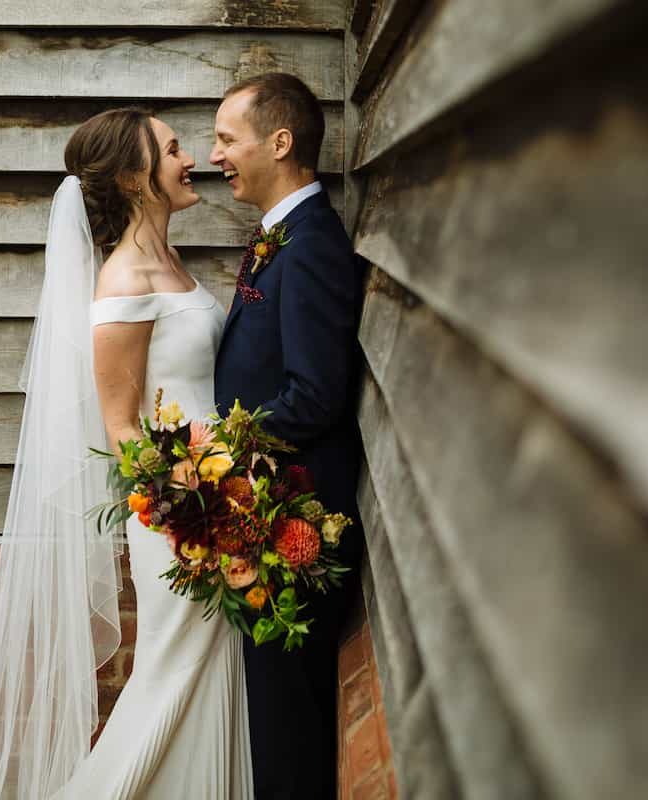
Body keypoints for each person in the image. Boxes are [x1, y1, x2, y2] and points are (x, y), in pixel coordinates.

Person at [0, 108, 253, 799]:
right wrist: (192, 519)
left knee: (207, 675)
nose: (192, 160)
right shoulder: (124, 281)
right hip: (181, 520)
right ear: (132, 177)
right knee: (171, 677)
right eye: (174, 150)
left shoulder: (167, 262)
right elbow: (122, 427)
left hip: (215, 501)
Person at [210, 73, 366, 799]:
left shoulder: (311, 249)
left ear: (280, 142)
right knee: (276, 720)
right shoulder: (281, 236)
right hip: (265, 514)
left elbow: (313, 398)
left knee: (291, 728)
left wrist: (217, 447)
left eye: (226, 138)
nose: (216, 155)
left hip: (295, 521)